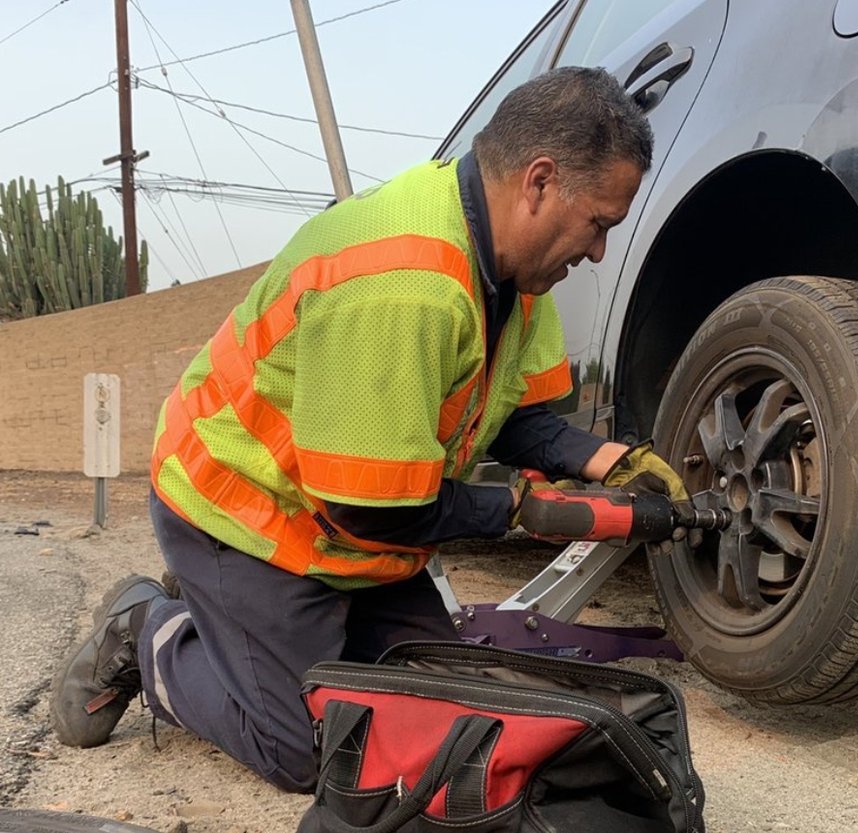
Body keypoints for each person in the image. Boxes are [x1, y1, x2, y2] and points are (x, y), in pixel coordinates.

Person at [50, 66, 688, 791]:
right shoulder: (402, 281)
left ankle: (237, 625)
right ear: (539, 182)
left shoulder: (516, 273)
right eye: (599, 223)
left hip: (352, 537)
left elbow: (521, 422)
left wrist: (613, 463)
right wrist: (526, 507)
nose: (599, 250)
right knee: (305, 750)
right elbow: (375, 508)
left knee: (440, 700)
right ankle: (153, 630)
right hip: (248, 514)